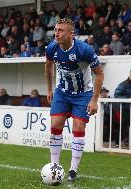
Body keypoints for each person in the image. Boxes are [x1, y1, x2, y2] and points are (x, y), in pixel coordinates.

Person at [45, 18, 104, 182]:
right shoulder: (52, 48)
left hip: (83, 93)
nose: (56, 33)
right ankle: (54, 167)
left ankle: (72, 170)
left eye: (60, 30)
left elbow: (99, 74)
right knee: (55, 124)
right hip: (62, 92)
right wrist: (49, 89)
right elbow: (48, 68)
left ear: (71, 33)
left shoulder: (84, 50)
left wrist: (94, 100)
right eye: (56, 30)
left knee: (78, 126)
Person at [114, 69, 131, 149]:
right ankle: (117, 144)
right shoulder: (123, 84)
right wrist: (128, 99)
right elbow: (116, 95)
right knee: (123, 128)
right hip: (125, 110)